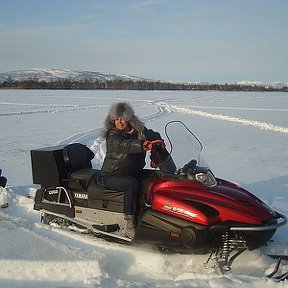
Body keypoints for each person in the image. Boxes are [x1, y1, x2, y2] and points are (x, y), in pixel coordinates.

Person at [100, 102, 175, 238]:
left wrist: (159, 141)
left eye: (122, 118)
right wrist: (144, 145)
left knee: (157, 178)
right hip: (112, 175)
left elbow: (152, 134)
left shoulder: (138, 131)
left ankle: (157, 215)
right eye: (116, 119)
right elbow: (123, 145)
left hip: (133, 172)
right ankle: (129, 226)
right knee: (132, 184)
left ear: (128, 118)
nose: (119, 122)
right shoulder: (112, 135)